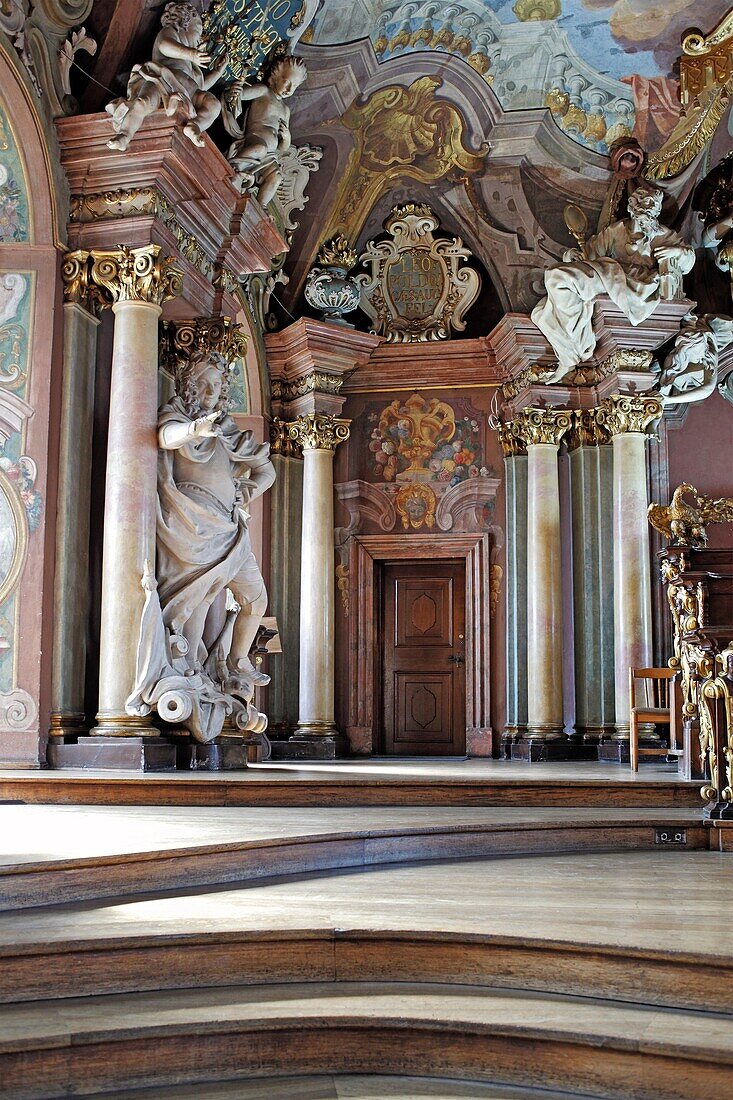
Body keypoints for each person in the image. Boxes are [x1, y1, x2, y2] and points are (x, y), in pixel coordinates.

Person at [531, 185, 695, 381]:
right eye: (644, 202)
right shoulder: (617, 230)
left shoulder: (664, 235)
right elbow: (590, 255)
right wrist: (572, 255)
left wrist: (678, 253)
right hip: (610, 275)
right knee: (551, 286)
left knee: (557, 279)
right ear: (633, 206)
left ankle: (574, 351)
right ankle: (575, 347)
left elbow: (688, 260)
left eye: (653, 204)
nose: (649, 207)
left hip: (636, 283)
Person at [106, 2, 227, 152]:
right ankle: (125, 135)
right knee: (144, 102)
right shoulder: (171, 32)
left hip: (189, 91)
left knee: (214, 105)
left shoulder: (191, 64)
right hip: (163, 80)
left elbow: (201, 85)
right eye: (199, 31)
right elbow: (164, 45)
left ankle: (195, 125)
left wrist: (217, 72)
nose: (199, 39)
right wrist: (191, 54)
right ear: (185, 23)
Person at [222, 55, 307, 205]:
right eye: (287, 82)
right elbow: (239, 96)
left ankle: (260, 207)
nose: (289, 89)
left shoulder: (285, 110)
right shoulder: (263, 91)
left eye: (294, 86)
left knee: (276, 177)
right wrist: (233, 94)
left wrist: (286, 137)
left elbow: (282, 148)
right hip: (254, 140)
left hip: (270, 156)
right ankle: (235, 169)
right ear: (275, 77)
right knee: (259, 148)